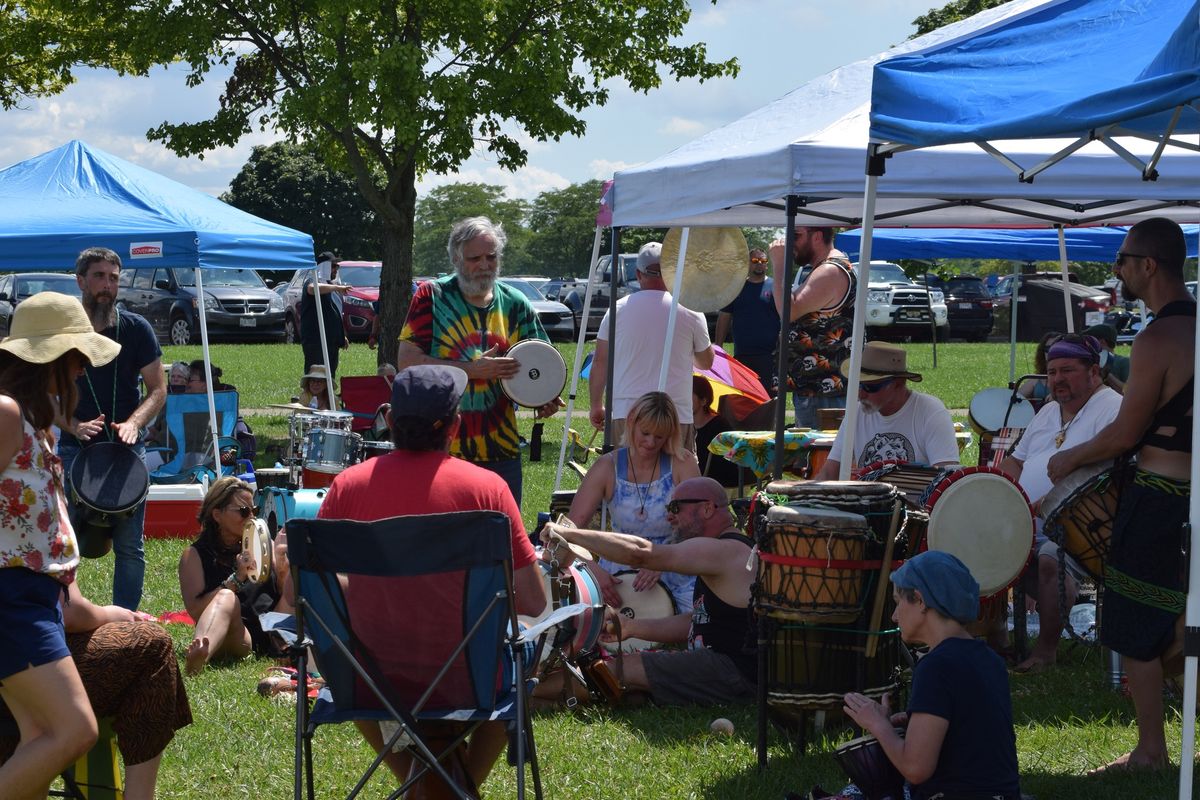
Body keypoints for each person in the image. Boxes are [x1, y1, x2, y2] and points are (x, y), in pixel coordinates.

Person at [315, 364, 547, 793]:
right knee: (527, 661)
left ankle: (419, 783)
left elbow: (305, 597)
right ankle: (460, 787)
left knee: (344, 664)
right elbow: (532, 601)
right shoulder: (488, 490)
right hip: (469, 677)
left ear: (389, 421)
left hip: (369, 682)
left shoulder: (347, 487)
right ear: (455, 427)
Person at [1048, 217, 1194, 773]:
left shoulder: (1158, 336)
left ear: (1148, 265)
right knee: (1185, 614)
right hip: (1195, 496)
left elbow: (1127, 432)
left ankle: (1152, 752)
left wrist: (1071, 457)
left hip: (1158, 494)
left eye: (1123, 260)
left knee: (1135, 622)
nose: (1118, 269)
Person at [0, 291, 119, 796]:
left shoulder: (37, 422)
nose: (80, 372)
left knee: (40, 737)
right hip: (11, 599)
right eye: (76, 358)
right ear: (51, 357)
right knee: (75, 731)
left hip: (35, 598)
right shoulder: (6, 412)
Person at [543, 476, 755, 706]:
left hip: (731, 671)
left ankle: (522, 693)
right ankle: (538, 700)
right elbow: (699, 621)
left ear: (706, 508)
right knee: (626, 692)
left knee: (619, 669)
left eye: (676, 507)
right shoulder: (721, 550)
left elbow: (642, 554)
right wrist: (633, 627)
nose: (669, 516)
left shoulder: (726, 550)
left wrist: (570, 535)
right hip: (726, 669)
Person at [397, 216, 562, 504]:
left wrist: (543, 396)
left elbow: (541, 365)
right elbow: (407, 363)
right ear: (456, 258)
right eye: (475, 258)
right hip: (441, 447)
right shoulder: (432, 297)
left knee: (500, 538)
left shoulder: (515, 303)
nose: (485, 265)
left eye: (491, 256)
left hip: (501, 450)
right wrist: (472, 371)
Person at [843, 551, 1021, 800]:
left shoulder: (936, 667)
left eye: (898, 602)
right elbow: (974, 729)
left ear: (919, 600)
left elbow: (916, 769)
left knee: (853, 794)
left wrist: (878, 725)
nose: (895, 616)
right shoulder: (990, 660)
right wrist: (915, 722)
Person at [0, 578, 193, 800]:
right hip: (20, 651)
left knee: (36, 730)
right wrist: (112, 614)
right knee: (152, 647)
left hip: (19, 655)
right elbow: (70, 611)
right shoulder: (35, 544)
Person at [999, 334, 1121, 672]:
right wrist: (1001, 496)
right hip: (1025, 520)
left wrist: (1044, 503)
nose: (1057, 380)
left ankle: (1045, 651)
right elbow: (1016, 461)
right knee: (980, 540)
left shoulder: (1111, 407)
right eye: (1052, 372)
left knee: (1051, 558)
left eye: (1067, 370)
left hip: (1082, 526)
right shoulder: (1049, 409)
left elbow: (1105, 472)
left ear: (1094, 372)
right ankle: (993, 640)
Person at [59, 247, 166, 611]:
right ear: (80, 281)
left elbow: (158, 389)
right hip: (74, 448)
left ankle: (124, 622)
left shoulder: (136, 328)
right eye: (99, 276)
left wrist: (136, 423)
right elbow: (41, 393)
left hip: (125, 449)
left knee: (129, 546)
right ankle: (62, 615)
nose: (107, 285)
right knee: (63, 541)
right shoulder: (63, 330)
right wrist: (73, 425)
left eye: (114, 278)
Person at [567, 391, 701, 612]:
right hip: (619, 571)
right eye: (645, 433)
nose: (650, 442)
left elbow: (700, 528)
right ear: (631, 421)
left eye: (659, 437)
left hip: (673, 565)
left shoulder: (682, 463)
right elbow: (569, 531)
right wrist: (592, 571)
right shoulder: (607, 467)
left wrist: (664, 560)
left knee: (696, 617)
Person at [588, 242, 715, 450]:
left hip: (627, 412)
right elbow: (706, 362)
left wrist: (595, 406)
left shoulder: (617, 310)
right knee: (676, 479)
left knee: (627, 478)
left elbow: (600, 361)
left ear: (638, 274)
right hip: (675, 413)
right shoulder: (691, 310)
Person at [178, 477, 293, 675]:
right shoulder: (194, 555)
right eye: (243, 511)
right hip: (237, 634)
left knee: (298, 580)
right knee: (226, 597)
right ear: (217, 515)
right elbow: (196, 610)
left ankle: (287, 644)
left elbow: (286, 596)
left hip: (268, 632)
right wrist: (237, 578)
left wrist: (284, 573)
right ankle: (200, 654)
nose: (250, 517)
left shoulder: (263, 543)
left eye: (254, 511)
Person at [814, 342, 958, 480]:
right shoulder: (855, 413)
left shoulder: (931, 411)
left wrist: (882, 475)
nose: (860, 394)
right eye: (858, 385)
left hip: (917, 505)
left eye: (871, 387)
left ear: (898, 384)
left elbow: (946, 478)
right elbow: (829, 474)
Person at [769, 226, 856, 429]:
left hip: (825, 393)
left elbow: (787, 311)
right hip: (819, 389)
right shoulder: (826, 268)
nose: (790, 242)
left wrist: (780, 266)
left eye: (796, 235)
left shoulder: (830, 271)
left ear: (817, 236)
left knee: (819, 456)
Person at [713, 247, 779, 390]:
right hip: (742, 355)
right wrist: (719, 348)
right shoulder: (737, 287)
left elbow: (786, 318)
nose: (759, 264)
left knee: (768, 399)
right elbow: (724, 317)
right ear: (748, 263)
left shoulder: (775, 287)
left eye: (763, 260)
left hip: (769, 357)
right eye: (755, 260)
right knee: (744, 399)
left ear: (767, 264)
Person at [301, 251, 351, 379]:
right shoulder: (312, 281)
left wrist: (341, 335)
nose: (336, 269)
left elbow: (333, 312)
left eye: (337, 266)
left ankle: (327, 399)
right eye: (333, 266)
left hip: (331, 341)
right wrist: (337, 288)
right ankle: (312, 399)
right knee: (315, 376)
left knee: (330, 376)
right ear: (324, 266)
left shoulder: (329, 286)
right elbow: (312, 289)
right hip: (316, 341)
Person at [691, 376, 741, 489]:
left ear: (703, 401)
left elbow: (726, 466)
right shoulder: (683, 427)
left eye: (689, 396)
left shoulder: (719, 427)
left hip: (719, 485)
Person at [1084, 322, 1130, 393]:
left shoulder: (1123, 362)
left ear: (1102, 342)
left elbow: (1128, 392)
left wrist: (1106, 374)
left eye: (1090, 341)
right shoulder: (1088, 362)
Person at [1017, 331, 1059, 407]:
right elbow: (1013, 399)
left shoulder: (1072, 377)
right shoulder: (1036, 380)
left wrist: (1059, 396)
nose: (1051, 352)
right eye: (1047, 348)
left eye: (1055, 348)